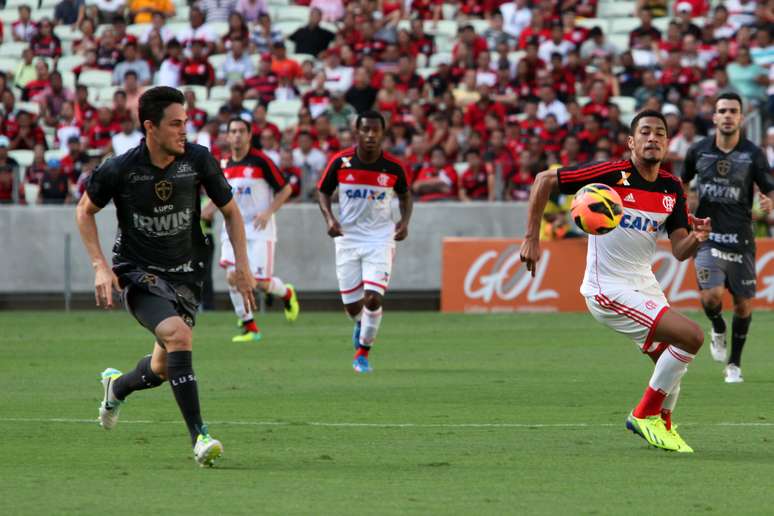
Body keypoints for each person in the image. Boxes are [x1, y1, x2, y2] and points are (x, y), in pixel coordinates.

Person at [75, 86, 256, 467]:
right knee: (179, 335)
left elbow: (232, 212)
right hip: (138, 274)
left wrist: (243, 266)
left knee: (161, 367)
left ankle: (117, 386)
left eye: (186, 123)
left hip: (187, 276)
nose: (183, 131)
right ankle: (200, 438)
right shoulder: (120, 168)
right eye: (175, 124)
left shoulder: (198, 161)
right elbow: (84, 210)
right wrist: (99, 267)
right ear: (150, 127)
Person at [520, 110, 711, 453]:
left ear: (668, 143)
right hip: (607, 288)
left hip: (643, 283)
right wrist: (532, 238)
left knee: (670, 360)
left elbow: (680, 250)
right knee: (692, 336)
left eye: (660, 134)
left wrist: (697, 237)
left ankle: (662, 425)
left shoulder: (671, 188)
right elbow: (543, 181)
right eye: (645, 132)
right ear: (631, 142)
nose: (653, 138)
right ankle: (644, 415)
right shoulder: (611, 175)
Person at [682, 92, 774, 383]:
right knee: (711, 297)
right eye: (722, 110)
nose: (727, 115)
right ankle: (717, 326)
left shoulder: (753, 154)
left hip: (741, 238)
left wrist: (770, 201)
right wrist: (681, 206)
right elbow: (680, 182)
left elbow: (769, 188)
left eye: (733, 111)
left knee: (744, 306)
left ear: (740, 117)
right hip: (708, 235)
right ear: (714, 117)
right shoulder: (698, 151)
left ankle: (734, 364)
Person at [317, 110, 412, 373]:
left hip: (380, 239)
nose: (370, 135)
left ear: (383, 133)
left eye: (376, 130)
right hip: (347, 238)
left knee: (372, 298)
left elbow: (405, 196)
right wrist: (329, 219)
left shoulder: (393, 167)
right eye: (365, 130)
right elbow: (323, 191)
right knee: (352, 307)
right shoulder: (341, 162)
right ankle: (360, 324)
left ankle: (363, 352)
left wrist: (404, 222)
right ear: (357, 132)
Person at [207, 117, 299, 342]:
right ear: (228, 136)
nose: (237, 135)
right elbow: (222, 196)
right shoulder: (224, 164)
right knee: (232, 276)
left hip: (259, 228)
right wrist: (207, 209)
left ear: (249, 135)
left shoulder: (261, 161)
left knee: (256, 282)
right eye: (233, 131)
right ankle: (249, 326)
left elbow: (285, 189)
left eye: (241, 131)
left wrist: (268, 212)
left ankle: (286, 293)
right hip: (232, 227)